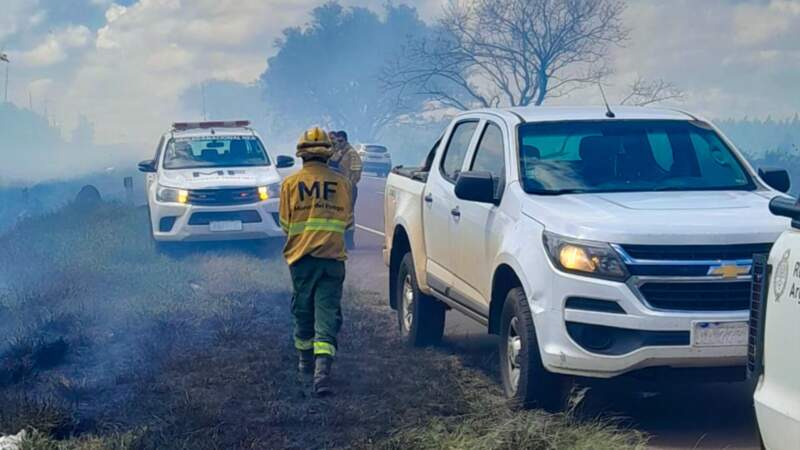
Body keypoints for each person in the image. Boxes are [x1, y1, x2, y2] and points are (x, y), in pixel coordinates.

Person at [279, 126, 354, 397]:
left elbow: (286, 224)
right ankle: (323, 372)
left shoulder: (289, 185)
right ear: (328, 154)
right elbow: (347, 222)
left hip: (301, 260)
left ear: (300, 155)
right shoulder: (342, 184)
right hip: (332, 260)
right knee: (327, 312)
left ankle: (305, 364)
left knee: (302, 311)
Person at [328, 131, 362, 249]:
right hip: (335, 187)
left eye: (341, 141)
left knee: (348, 214)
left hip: (348, 187)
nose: (339, 143)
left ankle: (349, 240)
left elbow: (357, 171)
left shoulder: (352, 153)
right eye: (337, 141)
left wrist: (350, 183)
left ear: (346, 140)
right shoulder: (336, 153)